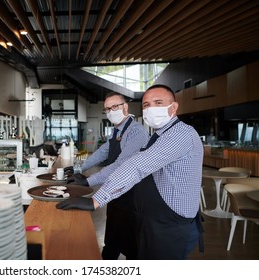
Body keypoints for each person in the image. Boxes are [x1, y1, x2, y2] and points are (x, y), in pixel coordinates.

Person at [58, 84, 204, 260]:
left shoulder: (179, 134)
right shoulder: (158, 136)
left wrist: (95, 199)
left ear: (173, 107)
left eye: (158, 102)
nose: (151, 109)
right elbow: (104, 152)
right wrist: (80, 170)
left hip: (170, 223)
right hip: (152, 216)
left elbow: (135, 165)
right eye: (146, 105)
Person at [68, 92, 149, 260]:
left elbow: (121, 164)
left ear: (125, 107)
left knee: (132, 246)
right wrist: (79, 169)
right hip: (115, 194)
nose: (111, 111)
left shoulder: (136, 132)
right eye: (107, 109)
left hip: (131, 195)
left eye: (115, 107)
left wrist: (89, 180)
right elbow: (103, 152)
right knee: (111, 240)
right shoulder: (116, 130)